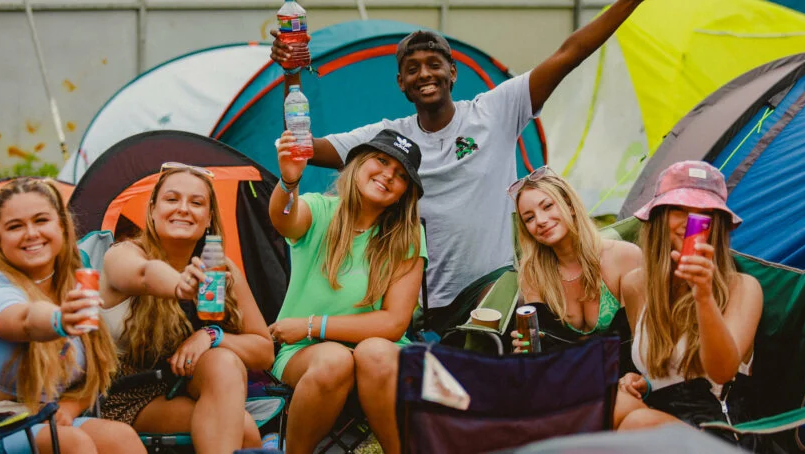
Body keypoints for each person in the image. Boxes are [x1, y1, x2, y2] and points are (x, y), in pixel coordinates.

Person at [269, 0, 647, 309]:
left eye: (434, 64)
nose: (424, 74)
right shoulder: (388, 142)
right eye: (412, 69)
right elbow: (301, 147)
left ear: (452, 72)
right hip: (418, 302)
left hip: (495, 289)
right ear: (401, 84)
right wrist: (291, 72)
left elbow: (569, 54)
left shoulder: (495, 111)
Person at [0, 177, 142, 454]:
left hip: (24, 416)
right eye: (15, 226)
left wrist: (70, 408)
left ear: (62, 226)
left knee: (121, 438)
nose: (31, 233)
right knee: (72, 444)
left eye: (41, 220)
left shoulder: (70, 285)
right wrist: (60, 320)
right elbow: (24, 320)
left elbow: (91, 376)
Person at [267, 129, 427, 454]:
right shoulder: (320, 210)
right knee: (334, 360)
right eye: (381, 161)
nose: (387, 175)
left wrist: (313, 324)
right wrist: (288, 183)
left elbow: (395, 323)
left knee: (374, 353)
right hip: (305, 351)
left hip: (381, 351)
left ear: (403, 195)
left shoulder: (407, 237)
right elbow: (284, 220)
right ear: (356, 163)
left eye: (400, 175)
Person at [98, 162, 274, 454]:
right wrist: (180, 285)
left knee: (223, 361)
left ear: (208, 218)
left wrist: (211, 336)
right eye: (172, 199)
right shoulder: (124, 254)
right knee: (243, 431)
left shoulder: (221, 271)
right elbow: (144, 274)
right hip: (125, 394)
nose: (183, 209)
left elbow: (264, 351)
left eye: (196, 203)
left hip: (189, 384)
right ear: (152, 210)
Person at [614, 161, 765, 450]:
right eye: (679, 210)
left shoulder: (742, 288)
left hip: (720, 430)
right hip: (663, 417)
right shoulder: (636, 285)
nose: (689, 221)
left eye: (704, 214)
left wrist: (704, 296)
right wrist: (643, 382)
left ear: (717, 224)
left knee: (636, 424)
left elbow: (722, 372)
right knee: (608, 402)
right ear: (660, 217)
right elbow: (664, 369)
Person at [507, 166, 642, 359]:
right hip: (567, 379)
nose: (541, 220)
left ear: (569, 205)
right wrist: (526, 349)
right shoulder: (533, 273)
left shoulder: (625, 257)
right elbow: (543, 350)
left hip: (626, 377)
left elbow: (642, 340)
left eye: (547, 206)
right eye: (529, 218)